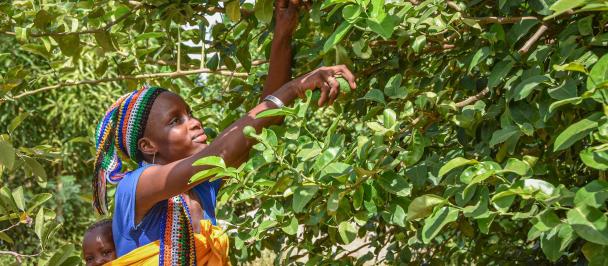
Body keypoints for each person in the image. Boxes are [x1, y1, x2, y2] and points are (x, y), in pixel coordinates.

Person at [91, 0, 356, 264]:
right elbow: (220, 151)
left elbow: (264, 120)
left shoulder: (203, 185)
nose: (194, 123)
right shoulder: (135, 186)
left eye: (190, 113)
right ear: (148, 145)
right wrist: (294, 88)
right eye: (175, 121)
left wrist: (285, 22)